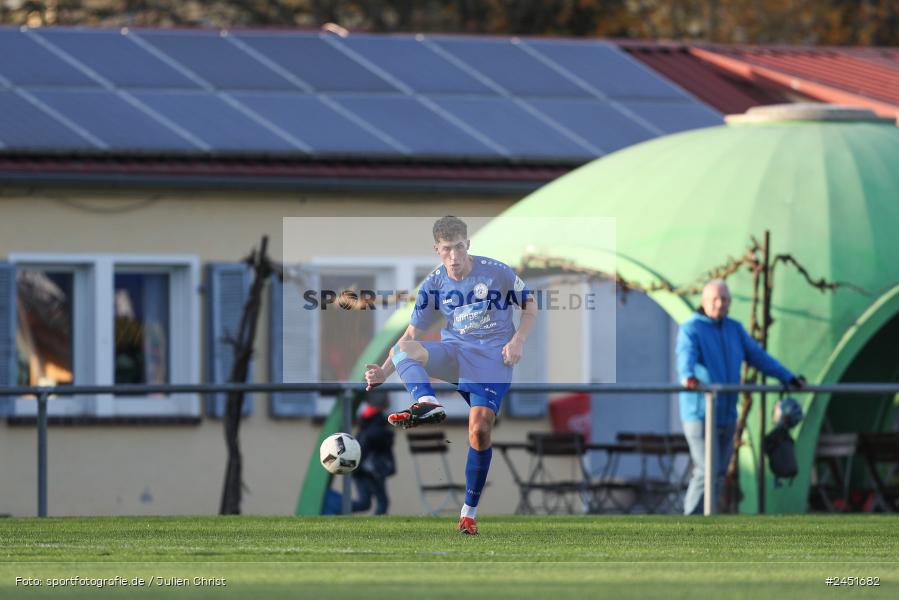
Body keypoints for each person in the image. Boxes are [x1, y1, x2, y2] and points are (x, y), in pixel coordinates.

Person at [364, 215, 537, 535]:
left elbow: (530, 306)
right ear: (437, 249)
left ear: (468, 244)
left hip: (492, 359)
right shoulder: (433, 284)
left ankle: (468, 515)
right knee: (407, 347)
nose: (454, 256)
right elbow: (410, 333)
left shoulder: (496, 272)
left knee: (480, 430)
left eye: (459, 247)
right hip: (454, 354)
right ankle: (426, 402)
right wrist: (384, 371)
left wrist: (518, 340)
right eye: (447, 249)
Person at [676, 279, 805, 515]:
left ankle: (707, 521)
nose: (719, 303)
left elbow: (758, 356)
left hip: (727, 413)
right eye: (714, 299)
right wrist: (688, 377)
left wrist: (788, 377)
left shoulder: (734, 329)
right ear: (703, 301)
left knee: (719, 473)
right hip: (701, 413)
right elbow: (686, 358)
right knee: (707, 470)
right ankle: (690, 524)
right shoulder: (691, 328)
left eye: (724, 299)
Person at [351, 395, 395, 516]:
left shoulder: (365, 420)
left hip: (360, 468)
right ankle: (338, 507)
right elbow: (378, 439)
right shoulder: (378, 422)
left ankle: (339, 508)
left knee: (364, 503)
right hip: (372, 468)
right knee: (382, 502)